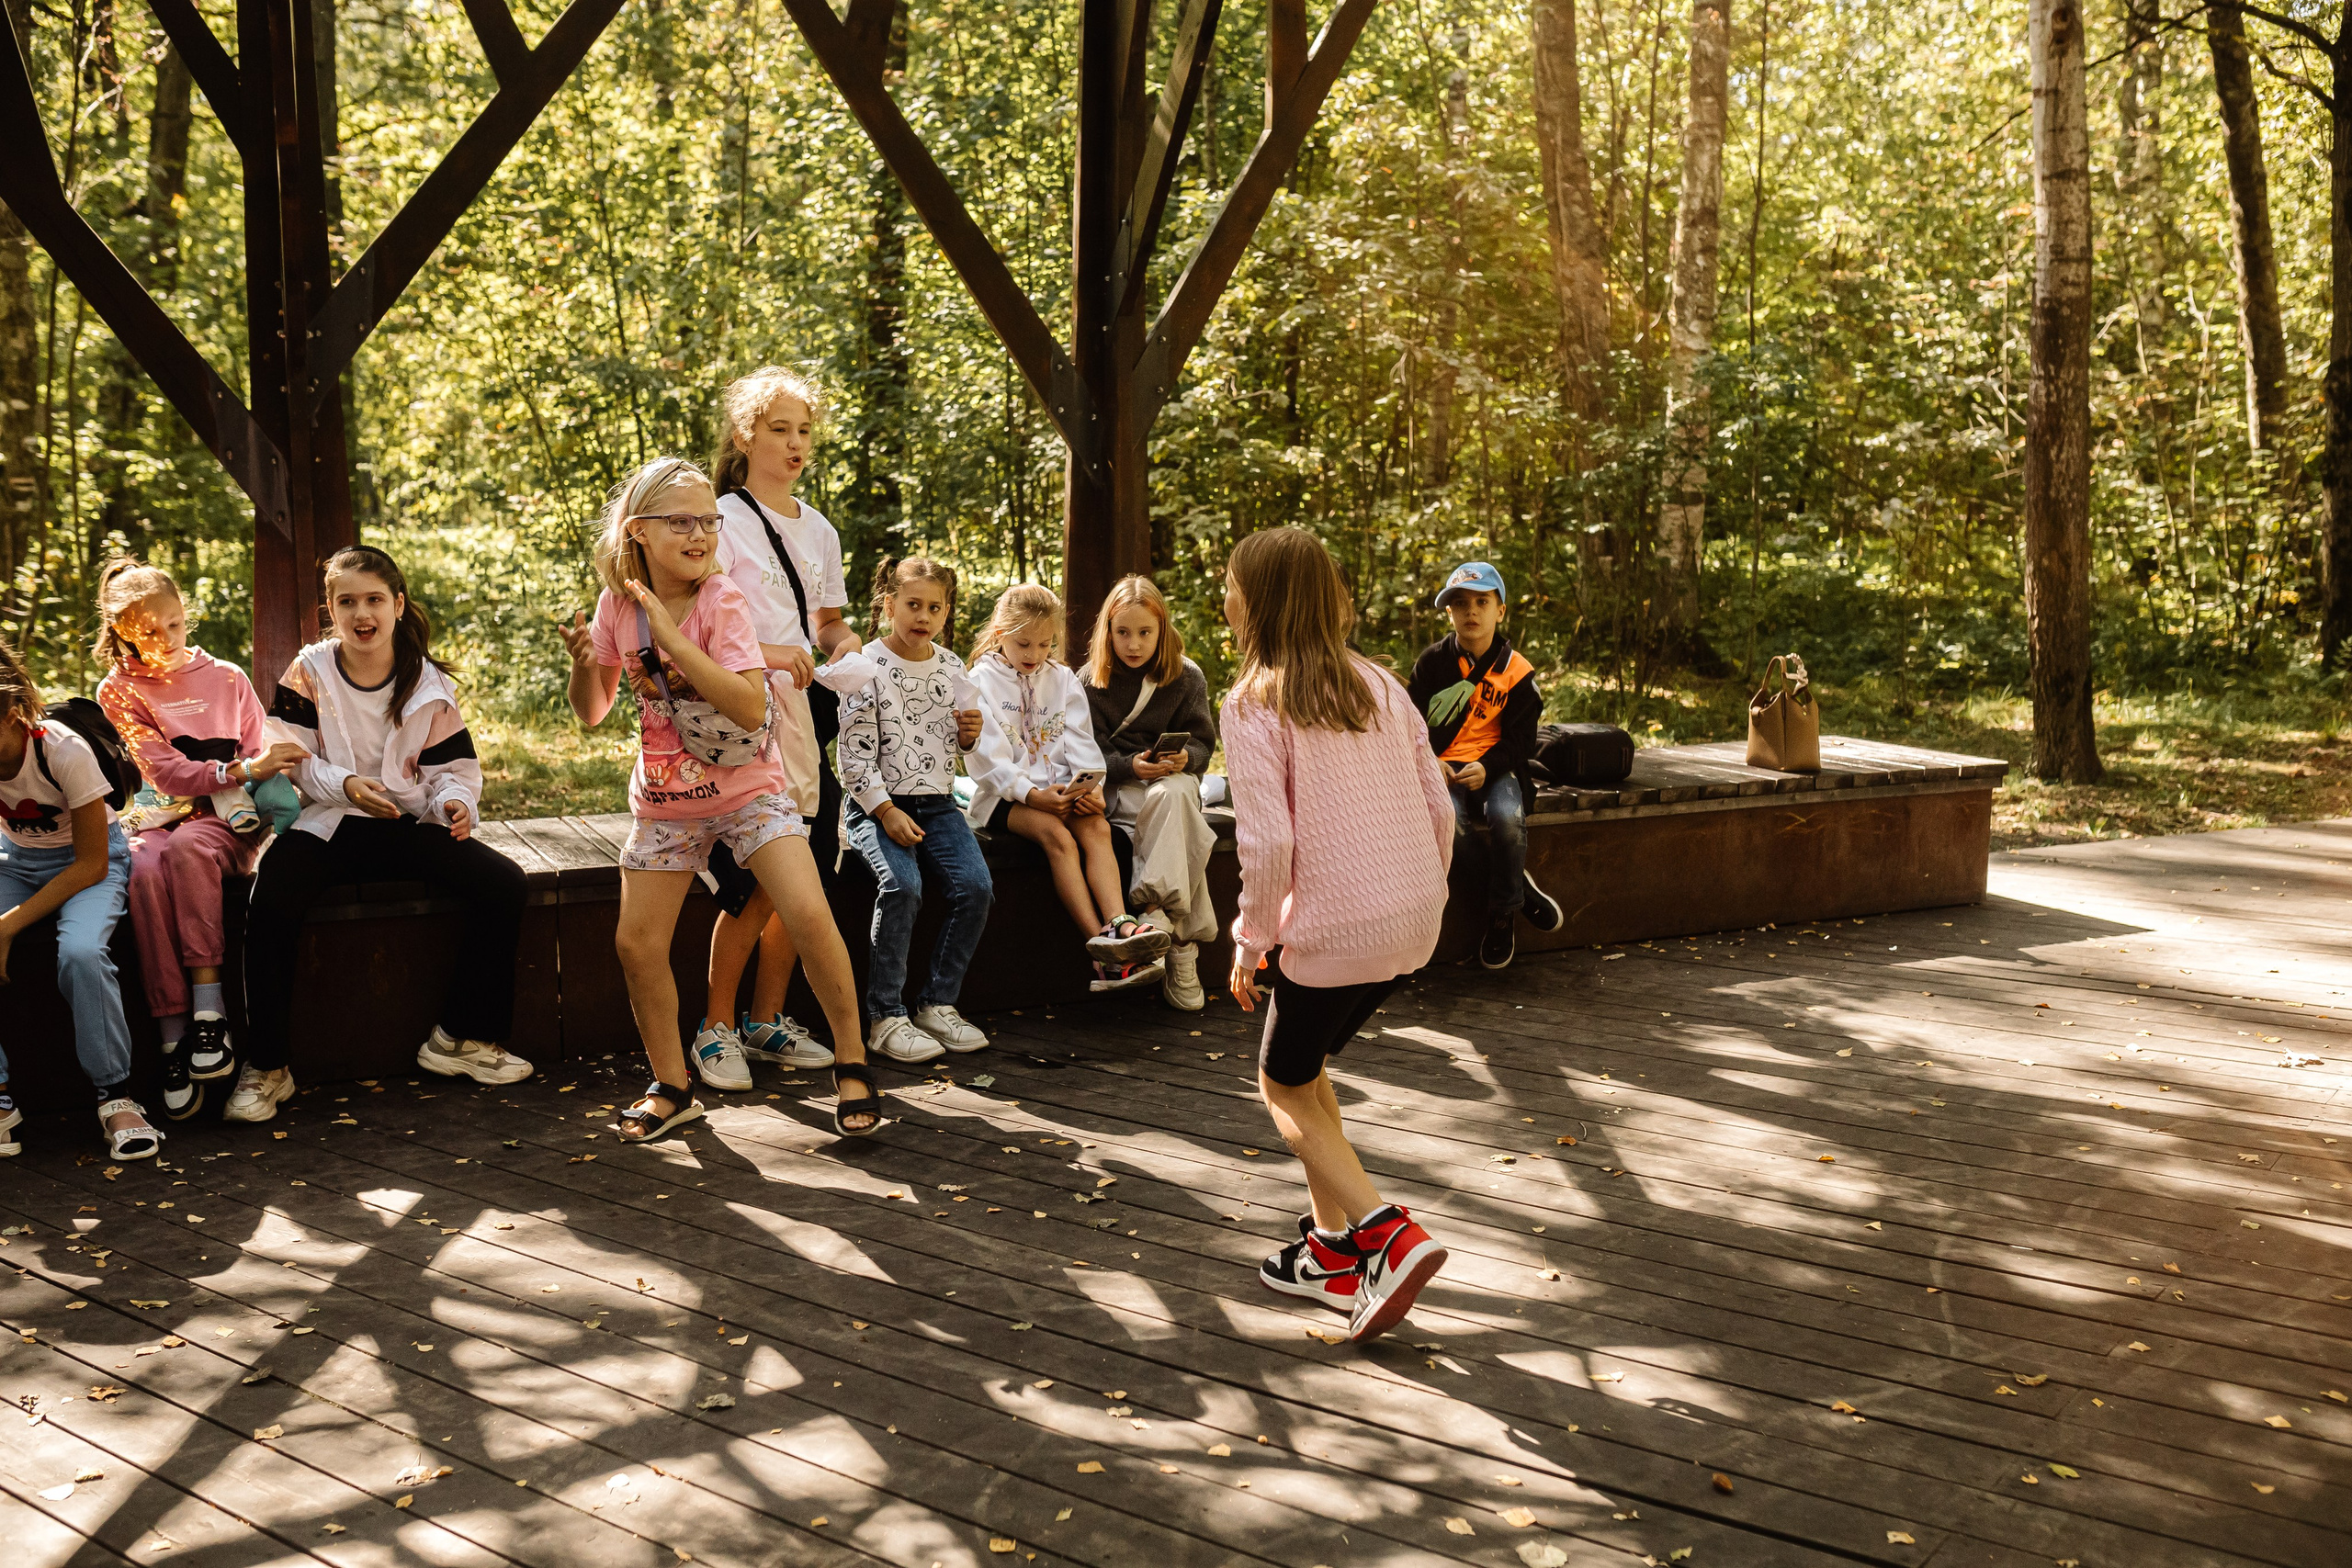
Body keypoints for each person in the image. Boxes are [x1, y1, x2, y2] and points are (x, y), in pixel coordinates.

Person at [563, 457, 881, 1137]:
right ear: (639, 531)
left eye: (708, 520)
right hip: (665, 800)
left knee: (806, 911)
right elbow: (592, 709)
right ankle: (672, 1086)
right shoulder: (618, 605)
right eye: (682, 521)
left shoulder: (720, 600)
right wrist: (584, 663)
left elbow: (744, 704)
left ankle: (852, 1062)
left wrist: (675, 641)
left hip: (746, 788)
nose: (702, 534)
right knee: (637, 943)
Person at [1221, 526, 1454, 1344]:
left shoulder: (1253, 701)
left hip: (1335, 927)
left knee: (1280, 1086)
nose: (1224, 598)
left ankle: (1386, 1231)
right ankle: (1328, 1252)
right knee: (1306, 1066)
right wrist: (1428, 892)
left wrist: (1252, 938)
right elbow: (1439, 809)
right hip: (1413, 918)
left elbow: (1269, 844)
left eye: (1231, 586)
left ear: (1259, 603)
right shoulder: (1384, 685)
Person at [238, 545, 531, 1122]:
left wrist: (453, 804)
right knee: (269, 897)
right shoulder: (311, 670)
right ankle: (268, 1067)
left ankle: (460, 1040)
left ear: (398, 605)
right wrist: (344, 785)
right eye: (347, 602)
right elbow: (287, 755)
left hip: (404, 822)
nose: (361, 613)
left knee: (504, 884)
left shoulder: (427, 682)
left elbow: (454, 772)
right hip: (329, 823)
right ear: (331, 608)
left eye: (374, 599)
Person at [94, 558, 307, 1120]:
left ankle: (210, 1013)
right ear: (120, 632)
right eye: (147, 631)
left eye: (174, 624)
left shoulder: (228, 677)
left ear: (185, 615)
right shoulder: (117, 689)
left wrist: (245, 781)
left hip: (225, 822)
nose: (164, 640)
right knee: (139, 872)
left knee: (190, 850)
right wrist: (239, 770)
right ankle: (172, 1036)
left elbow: (260, 756)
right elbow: (162, 771)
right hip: (158, 820)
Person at [696, 367, 861, 1084]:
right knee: (756, 880)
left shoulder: (818, 527)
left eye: (804, 432)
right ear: (745, 434)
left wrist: (851, 650)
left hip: (802, 721)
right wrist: (770, 655)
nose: (796, 446)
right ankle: (715, 1026)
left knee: (808, 871)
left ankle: (766, 1019)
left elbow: (825, 623)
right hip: (737, 722)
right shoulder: (718, 521)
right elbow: (691, 629)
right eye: (779, 429)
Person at [965, 583, 1170, 987]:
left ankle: (1121, 925)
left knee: (1097, 828)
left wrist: (1091, 786)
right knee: (1057, 836)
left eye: (1045, 644)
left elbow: (1081, 740)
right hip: (1007, 797)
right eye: (1024, 643)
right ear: (999, 632)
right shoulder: (979, 680)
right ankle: (1102, 946)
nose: (1034, 655)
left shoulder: (1061, 678)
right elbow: (987, 760)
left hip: (1061, 790)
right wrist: (1033, 795)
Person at [0, 635, 157, 1159]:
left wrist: (9, 924)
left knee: (83, 954)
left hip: (90, 862)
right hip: (16, 860)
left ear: (12, 711)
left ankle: (117, 1100)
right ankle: (2, 1102)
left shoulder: (61, 748)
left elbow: (91, 864)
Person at [837, 556, 993, 1062]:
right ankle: (885, 1015)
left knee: (976, 887)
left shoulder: (951, 666)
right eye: (912, 604)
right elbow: (853, 758)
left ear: (946, 613)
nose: (922, 616)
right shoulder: (866, 666)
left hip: (939, 804)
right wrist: (884, 812)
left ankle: (937, 1004)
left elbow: (954, 744)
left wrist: (969, 738)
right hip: (874, 807)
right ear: (889, 605)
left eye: (934, 607)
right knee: (902, 885)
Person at [1406, 560, 1563, 970]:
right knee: (1447, 825)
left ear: (1500, 610)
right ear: (1449, 612)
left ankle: (1501, 916)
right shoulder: (1431, 663)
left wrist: (1488, 767)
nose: (1471, 612)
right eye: (1460, 603)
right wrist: (1429, 761)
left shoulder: (1517, 672)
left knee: (1508, 818)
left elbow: (1522, 741)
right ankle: (1515, 894)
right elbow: (1408, 724)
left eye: (1481, 602)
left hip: (1495, 766)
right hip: (1441, 769)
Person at [1082, 575, 1218, 1009]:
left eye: (1145, 633)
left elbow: (1203, 742)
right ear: (1108, 631)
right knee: (1179, 821)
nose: (1134, 644)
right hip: (1121, 790)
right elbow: (1084, 751)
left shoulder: (1186, 675)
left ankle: (1156, 916)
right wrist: (1129, 765)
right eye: (1122, 632)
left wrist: (1185, 760)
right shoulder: (1089, 680)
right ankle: (1181, 949)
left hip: (1170, 787)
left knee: (1175, 793)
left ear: (1162, 631)